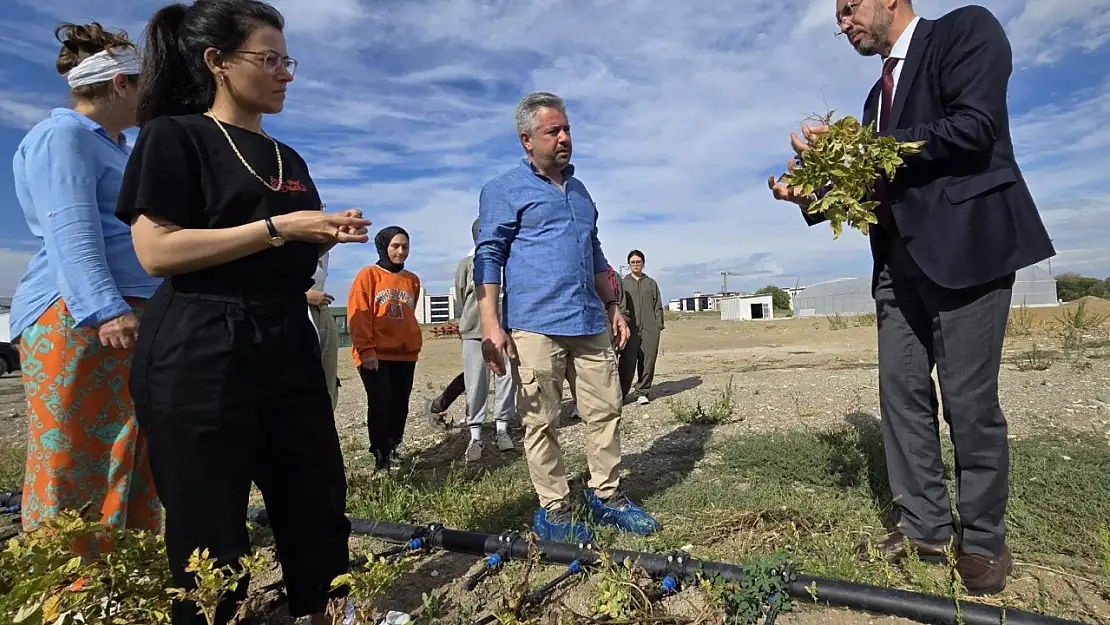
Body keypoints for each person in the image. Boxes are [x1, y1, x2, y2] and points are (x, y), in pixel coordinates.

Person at [769, 0, 1055, 595]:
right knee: (900, 396)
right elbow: (876, 186)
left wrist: (863, 150)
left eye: (849, 8)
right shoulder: (876, 100)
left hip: (967, 252)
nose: (841, 22)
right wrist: (814, 198)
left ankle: (981, 541)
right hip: (897, 267)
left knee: (969, 402)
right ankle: (925, 525)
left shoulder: (964, 32)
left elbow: (975, 127)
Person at [116, 2, 369, 623]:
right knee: (209, 520)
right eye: (270, 59)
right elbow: (156, 250)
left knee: (314, 497)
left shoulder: (289, 158)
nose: (286, 73)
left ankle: (319, 610)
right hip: (200, 338)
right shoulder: (175, 136)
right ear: (218, 63)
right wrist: (279, 227)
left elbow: (282, 240)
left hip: (284, 333)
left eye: (289, 60)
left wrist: (322, 232)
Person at [475, 91, 661, 543]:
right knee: (541, 419)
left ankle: (606, 494)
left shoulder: (579, 191)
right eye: (552, 131)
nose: (564, 138)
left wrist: (613, 304)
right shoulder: (503, 190)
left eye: (567, 129)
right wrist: (490, 322)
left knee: (605, 410)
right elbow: (489, 254)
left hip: (589, 319)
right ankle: (554, 508)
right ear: (526, 139)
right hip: (536, 323)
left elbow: (593, 252)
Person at [7, 22, 162, 542]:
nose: (151, 97)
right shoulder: (63, 135)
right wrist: (104, 308)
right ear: (120, 84)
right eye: (146, 85)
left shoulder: (116, 146)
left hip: (126, 313)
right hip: (79, 317)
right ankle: (69, 590)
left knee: (131, 450)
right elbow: (70, 223)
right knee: (74, 456)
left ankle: (125, 577)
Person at [348, 226, 423, 473]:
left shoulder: (412, 280)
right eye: (395, 246)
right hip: (376, 355)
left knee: (400, 404)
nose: (401, 251)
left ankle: (393, 447)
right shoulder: (368, 276)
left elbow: (409, 314)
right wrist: (367, 350)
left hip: (405, 354)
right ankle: (379, 456)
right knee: (381, 403)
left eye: (405, 246)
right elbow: (359, 316)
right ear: (384, 246)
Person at [456, 217, 516, 461]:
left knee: (506, 378)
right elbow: (462, 296)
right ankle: (475, 434)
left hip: (505, 331)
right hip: (474, 332)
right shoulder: (467, 264)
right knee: (476, 382)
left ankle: (502, 428)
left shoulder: (509, 262)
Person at [619, 250, 664, 404]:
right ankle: (621, 394)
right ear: (629, 264)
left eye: (638, 262)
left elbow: (658, 305)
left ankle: (642, 392)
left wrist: (658, 325)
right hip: (630, 329)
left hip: (650, 329)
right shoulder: (623, 283)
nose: (636, 264)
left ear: (643, 263)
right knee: (627, 361)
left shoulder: (651, 283)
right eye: (633, 262)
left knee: (647, 360)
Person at [307, 250, 340, 410]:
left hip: (321, 310)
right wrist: (303, 296)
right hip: (291, 310)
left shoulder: (324, 251)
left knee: (327, 379)